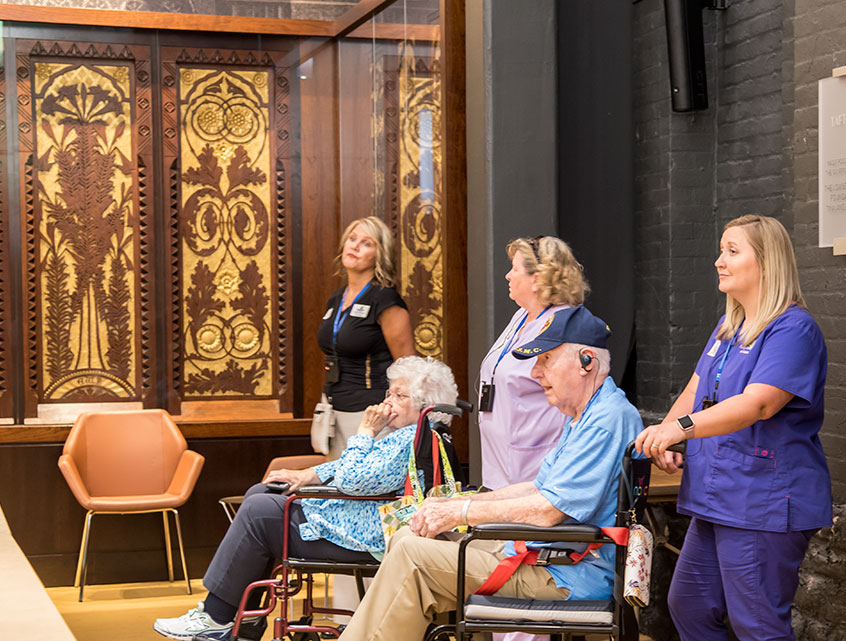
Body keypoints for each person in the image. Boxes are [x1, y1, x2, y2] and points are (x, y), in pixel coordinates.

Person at [339, 306, 644, 641]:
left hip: (565, 573)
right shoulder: (590, 414)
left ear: (586, 362)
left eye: (545, 360)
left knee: (413, 557)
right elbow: (539, 488)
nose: (535, 372)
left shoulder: (604, 421)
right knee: (407, 539)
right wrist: (461, 503)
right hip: (546, 557)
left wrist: (461, 511)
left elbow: (548, 510)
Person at [153, 356, 458, 641]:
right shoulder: (412, 433)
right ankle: (239, 619)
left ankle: (218, 616)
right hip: (359, 524)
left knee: (260, 511)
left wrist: (364, 430)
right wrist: (306, 476)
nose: (386, 401)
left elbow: (353, 479)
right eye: (389, 392)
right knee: (263, 493)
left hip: (364, 536)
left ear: (424, 405)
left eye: (399, 396)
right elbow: (348, 467)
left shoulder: (409, 437)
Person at [633, 214, 829, 641]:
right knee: (689, 605)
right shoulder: (729, 327)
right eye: (721, 250)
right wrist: (663, 432)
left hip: (762, 501)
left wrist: (681, 428)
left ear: (767, 262)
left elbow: (758, 404)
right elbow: (696, 388)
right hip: (719, 496)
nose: (719, 261)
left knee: (757, 624)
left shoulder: (793, 329)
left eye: (733, 251)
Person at [478, 235, 588, 489]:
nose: (508, 276)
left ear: (536, 279)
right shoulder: (521, 315)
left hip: (535, 463)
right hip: (499, 462)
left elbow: (577, 400)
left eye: (514, 269)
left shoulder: (564, 325)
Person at [317, 216, 416, 459]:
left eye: (366, 243)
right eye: (352, 239)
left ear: (379, 255)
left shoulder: (385, 299)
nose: (354, 246)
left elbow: (407, 366)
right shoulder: (336, 298)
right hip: (332, 408)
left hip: (370, 413)